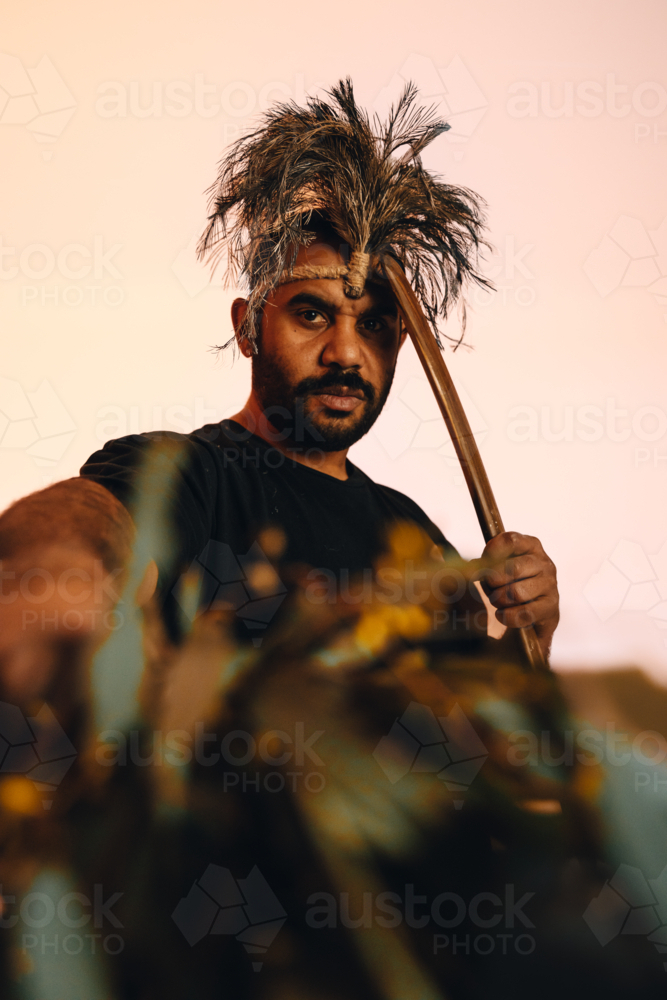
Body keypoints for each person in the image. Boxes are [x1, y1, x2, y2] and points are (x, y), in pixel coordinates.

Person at [0, 80, 559, 687]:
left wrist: (534, 630)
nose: (346, 352)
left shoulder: (415, 535)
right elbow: (96, 515)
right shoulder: (187, 474)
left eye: (372, 324)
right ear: (248, 328)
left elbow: (484, 735)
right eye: (311, 314)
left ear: (400, 344)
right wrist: (57, 565)